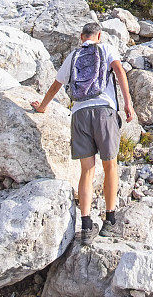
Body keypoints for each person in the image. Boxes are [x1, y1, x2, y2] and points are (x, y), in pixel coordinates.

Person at [31, 22, 133, 245]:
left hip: (79, 113)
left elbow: (56, 86)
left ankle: (86, 226)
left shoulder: (73, 56)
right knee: (110, 165)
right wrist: (127, 104)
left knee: (86, 170)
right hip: (104, 111)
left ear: (81, 36)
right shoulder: (105, 49)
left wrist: (42, 107)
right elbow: (119, 71)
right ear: (99, 35)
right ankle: (110, 221)